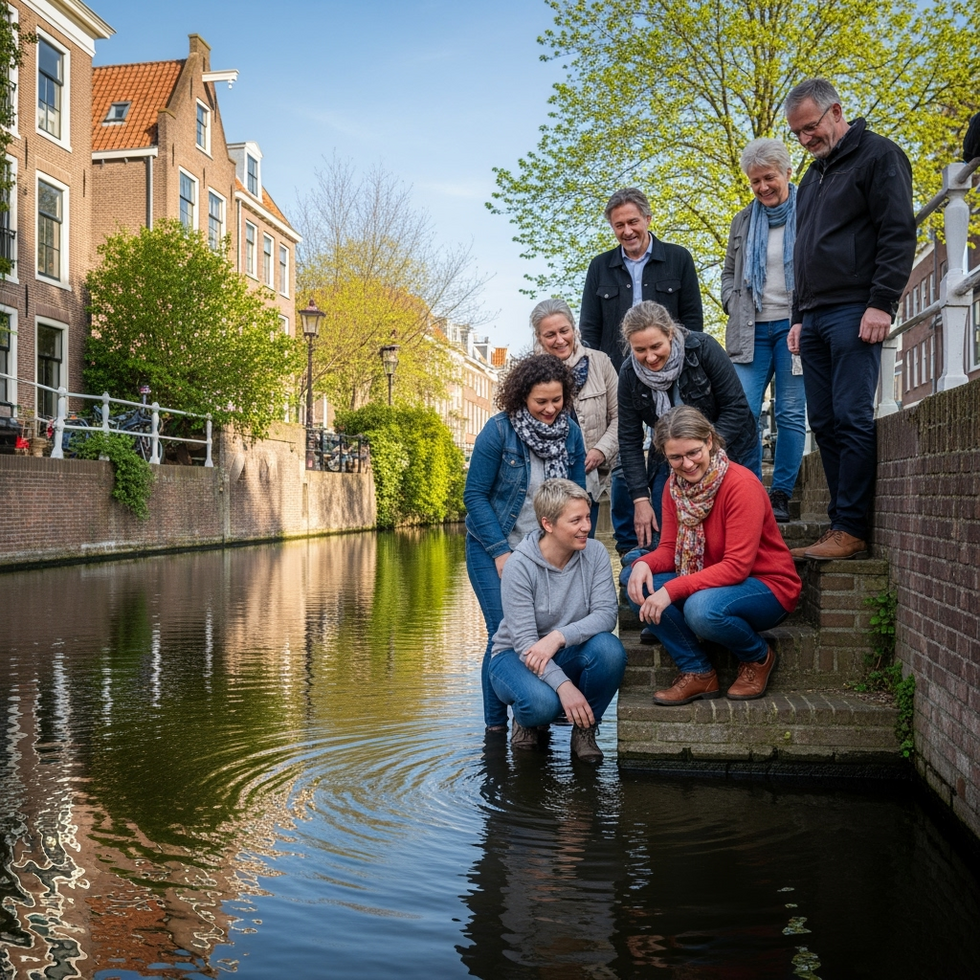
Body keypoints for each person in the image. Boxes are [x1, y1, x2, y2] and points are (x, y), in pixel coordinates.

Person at [785, 78, 916, 560]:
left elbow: (898, 231)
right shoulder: (812, 175)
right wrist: (798, 316)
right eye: (797, 133)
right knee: (822, 418)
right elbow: (802, 254)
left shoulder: (879, 157)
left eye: (810, 128)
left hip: (855, 311)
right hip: (815, 316)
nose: (804, 139)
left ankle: (852, 528)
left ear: (836, 112)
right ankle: (839, 523)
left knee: (852, 416)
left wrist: (882, 301)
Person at [626, 406, 801, 704]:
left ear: (709, 441)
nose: (687, 464)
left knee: (700, 610)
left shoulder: (741, 485)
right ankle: (697, 671)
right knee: (633, 578)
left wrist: (671, 590)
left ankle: (758, 656)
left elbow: (737, 567)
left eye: (693, 452)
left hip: (766, 585)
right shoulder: (673, 486)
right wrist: (643, 562)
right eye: (676, 457)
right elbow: (670, 549)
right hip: (709, 578)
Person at [464, 354, 587, 734]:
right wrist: (502, 551)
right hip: (493, 546)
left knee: (546, 631)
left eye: (557, 400)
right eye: (541, 402)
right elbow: (474, 495)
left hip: (549, 551)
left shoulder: (571, 433)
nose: (550, 409)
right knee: (502, 631)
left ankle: (532, 710)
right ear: (522, 398)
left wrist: (578, 548)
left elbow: (581, 499)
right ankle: (495, 727)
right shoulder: (499, 431)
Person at [579, 187, 704, 556]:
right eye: (619, 225)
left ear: (648, 219)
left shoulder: (678, 259)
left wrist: (681, 364)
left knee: (675, 450)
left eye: (633, 221)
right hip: (621, 377)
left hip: (672, 371)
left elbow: (693, 321)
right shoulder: (600, 267)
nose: (627, 230)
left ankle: (677, 536)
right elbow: (589, 327)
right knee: (623, 457)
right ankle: (630, 547)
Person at [488, 478, 627, 760]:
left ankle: (585, 729)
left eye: (587, 517)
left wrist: (558, 637)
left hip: (564, 651)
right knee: (542, 704)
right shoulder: (519, 566)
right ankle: (527, 720)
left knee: (610, 650)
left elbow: (606, 615)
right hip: (515, 656)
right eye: (575, 520)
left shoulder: (596, 553)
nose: (586, 527)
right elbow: (526, 643)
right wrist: (564, 687)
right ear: (548, 524)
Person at [618, 301, 758, 563]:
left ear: (670, 333)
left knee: (729, 536)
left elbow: (736, 407)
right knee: (668, 542)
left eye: (656, 346)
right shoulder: (629, 374)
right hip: (669, 458)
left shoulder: (703, 348)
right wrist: (640, 499)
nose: (649, 357)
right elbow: (629, 439)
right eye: (640, 350)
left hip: (731, 445)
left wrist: (703, 451)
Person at [722, 138, 806, 523]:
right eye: (755, 181)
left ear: (788, 173)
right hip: (749, 328)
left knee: (790, 412)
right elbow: (728, 272)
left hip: (794, 327)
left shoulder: (810, 210)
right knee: (743, 413)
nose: (762, 187)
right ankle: (751, 492)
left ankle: (781, 495)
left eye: (768, 177)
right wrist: (730, 300)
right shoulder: (742, 220)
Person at [531, 298, 618, 534]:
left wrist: (601, 450)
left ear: (574, 329)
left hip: (589, 477)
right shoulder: (529, 374)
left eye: (564, 331)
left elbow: (622, 418)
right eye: (550, 335)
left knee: (583, 545)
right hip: (543, 484)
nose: (559, 340)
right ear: (539, 337)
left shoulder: (600, 362)